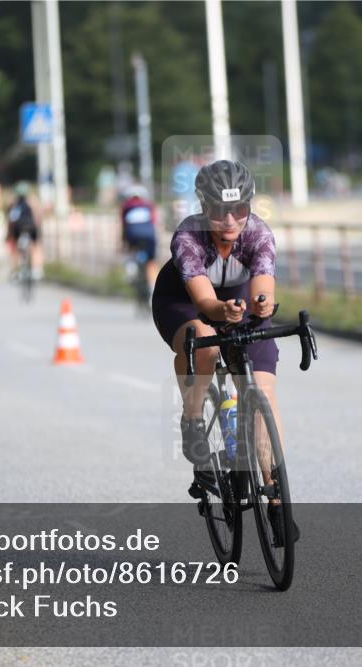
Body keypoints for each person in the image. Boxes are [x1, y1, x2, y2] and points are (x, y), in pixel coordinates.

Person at [150, 160, 297, 543]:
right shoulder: (188, 236)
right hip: (185, 303)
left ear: (250, 205)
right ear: (203, 206)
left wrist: (262, 304)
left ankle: (275, 493)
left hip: (238, 303)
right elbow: (204, 300)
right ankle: (193, 418)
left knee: (263, 393)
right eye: (219, 210)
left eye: (240, 209)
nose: (231, 220)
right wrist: (220, 312)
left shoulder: (259, 234)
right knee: (204, 342)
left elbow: (263, 286)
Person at [119, 184, 159, 288]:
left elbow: (124, 226)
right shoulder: (149, 205)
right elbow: (154, 223)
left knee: (131, 250)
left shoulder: (126, 206)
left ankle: (131, 270)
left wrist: (123, 242)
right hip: (149, 234)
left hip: (133, 233)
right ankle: (152, 289)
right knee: (151, 262)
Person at [5, 182, 43, 279]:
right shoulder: (33, 201)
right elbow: (38, 217)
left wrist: (9, 234)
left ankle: (16, 270)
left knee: (15, 249)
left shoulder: (13, 203)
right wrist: (38, 230)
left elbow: (10, 220)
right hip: (31, 227)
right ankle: (37, 270)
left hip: (17, 228)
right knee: (36, 247)